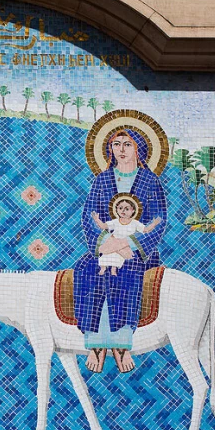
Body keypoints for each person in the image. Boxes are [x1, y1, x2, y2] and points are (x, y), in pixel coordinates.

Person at [74, 129, 167, 375]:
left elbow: (158, 219)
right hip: (105, 247)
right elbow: (90, 216)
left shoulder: (149, 181)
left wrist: (131, 245)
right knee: (86, 270)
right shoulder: (102, 180)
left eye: (127, 144)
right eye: (116, 144)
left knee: (127, 274)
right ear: (110, 149)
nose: (122, 149)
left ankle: (122, 343)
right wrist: (105, 242)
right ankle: (95, 344)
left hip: (136, 251)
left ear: (139, 149)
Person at [92, 194, 162, 276]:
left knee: (119, 254)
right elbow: (104, 226)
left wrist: (153, 224)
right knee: (107, 253)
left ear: (133, 211)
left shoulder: (135, 223)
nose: (123, 211)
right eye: (120, 208)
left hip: (125, 243)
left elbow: (145, 230)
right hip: (113, 241)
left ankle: (114, 269)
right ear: (116, 210)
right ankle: (103, 268)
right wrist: (97, 220)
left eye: (127, 209)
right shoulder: (115, 222)